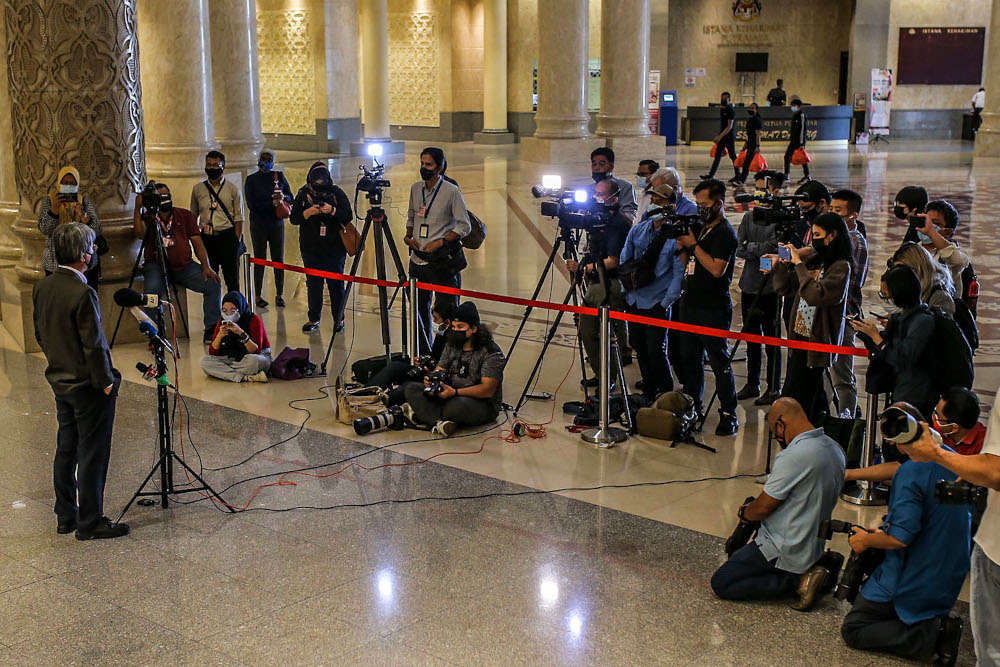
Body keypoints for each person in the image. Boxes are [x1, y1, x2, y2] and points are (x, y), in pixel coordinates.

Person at [840, 404, 969, 665]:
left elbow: (900, 539)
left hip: (915, 576)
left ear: (897, 442)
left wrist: (867, 539)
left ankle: (933, 634)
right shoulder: (953, 458)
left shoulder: (911, 473)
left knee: (854, 628)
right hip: (951, 573)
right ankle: (928, 622)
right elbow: (936, 516)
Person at [32, 223, 127, 540]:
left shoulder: (42, 287)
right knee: (92, 452)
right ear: (84, 254)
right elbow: (95, 344)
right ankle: (90, 522)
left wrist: (59, 363)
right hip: (88, 386)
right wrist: (106, 382)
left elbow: (40, 335)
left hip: (60, 380)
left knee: (67, 448)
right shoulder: (83, 292)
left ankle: (66, 516)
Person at [892, 392, 1000, 665]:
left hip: (991, 545)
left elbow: (995, 473)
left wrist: (936, 455)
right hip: (966, 545)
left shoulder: (918, 469)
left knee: (992, 653)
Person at [710, 398, 845, 610]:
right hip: (812, 544)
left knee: (723, 581)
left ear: (781, 423)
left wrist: (746, 513)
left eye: (774, 430)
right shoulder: (835, 449)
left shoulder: (794, 455)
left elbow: (764, 507)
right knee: (739, 558)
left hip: (781, 546)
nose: (777, 437)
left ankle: (799, 581)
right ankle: (822, 565)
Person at [767, 212, 851, 423]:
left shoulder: (841, 267)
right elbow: (785, 288)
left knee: (798, 397)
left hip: (817, 342)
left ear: (832, 236)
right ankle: (818, 429)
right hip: (799, 337)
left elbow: (816, 294)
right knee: (812, 397)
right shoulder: (814, 260)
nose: (813, 240)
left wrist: (798, 263)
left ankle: (802, 433)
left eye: (817, 234)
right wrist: (781, 266)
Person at [674, 179, 740, 436]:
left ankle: (728, 412)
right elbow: (687, 261)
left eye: (705, 204)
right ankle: (693, 405)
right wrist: (683, 247)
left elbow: (715, 269)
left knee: (718, 361)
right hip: (690, 302)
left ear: (719, 204)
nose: (700, 209)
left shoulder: (725, 233)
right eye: (698, 204)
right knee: (690, 359)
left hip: (713, 307)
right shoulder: (700, 228)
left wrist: (692, 245)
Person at [133, 182, 222, 345]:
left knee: (212, 284)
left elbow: (197, 242)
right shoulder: (149, 218)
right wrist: (138, 209)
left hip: (184, 266)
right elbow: (139, 233)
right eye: (159, 197)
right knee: (151, 294)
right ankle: (155, 335)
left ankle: (211, 329)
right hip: (156, 266)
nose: (164, 200)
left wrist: (205, 266)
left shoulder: (185, 215)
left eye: (166, 196)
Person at [620, 183, 685, 400]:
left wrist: (666, 302)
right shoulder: (639, 229)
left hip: (657, 300)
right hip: (635, 299)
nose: (655, 204)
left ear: (671, 205)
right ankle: (648, 385)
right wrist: (625, 290)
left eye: (661, 201)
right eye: (654, 200)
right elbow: (625, 258)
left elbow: (678, 273)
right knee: (638, 344)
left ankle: (665, 390)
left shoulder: (675, 236)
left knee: (656, 348)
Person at [845, 387, 989, 485]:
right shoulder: (945, 435)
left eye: (938, 415)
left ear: (954, 427)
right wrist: (850, 474)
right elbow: (902, 467)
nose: (934, 418)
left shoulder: (985, 447)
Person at [401, 302, 504, 436]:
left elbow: (487, 390)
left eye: (460, 327)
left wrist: (455, 392)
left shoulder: (491, 353)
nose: (456, 330)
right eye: (454, 327)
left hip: (479, 402)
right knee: (411, 388)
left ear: (474, 328)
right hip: (449, 392)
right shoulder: (452, 344)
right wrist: (431, 379)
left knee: (455, 406)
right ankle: (440, 422)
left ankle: (425, 415)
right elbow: (440, 370)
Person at [405, 147, 472, 353]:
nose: (424, 169)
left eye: (429, 165)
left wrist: (441, 241)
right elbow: (411, 216)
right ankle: (424, 352)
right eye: (422, 164)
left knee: (447, 312)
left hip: (442, 261)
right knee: (418, 308)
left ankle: (447, 353)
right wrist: (408, 236)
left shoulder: (451, 191)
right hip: (418, 260)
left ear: (440, 168)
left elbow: (464, 226)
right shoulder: (416, 189)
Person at [850, 266, 937, 422]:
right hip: (899, 389)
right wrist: (864, 331)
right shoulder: (901, 317)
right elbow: (884, 347)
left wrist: (877, 337)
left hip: (917, 396)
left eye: (887, 295)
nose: (886, 300)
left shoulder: (922, 321)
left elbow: (903, 358)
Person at [569, 178, 632, 389]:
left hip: (609, 282)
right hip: (598, 279)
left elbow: (613, 260)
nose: (596, 198)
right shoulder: (599, 220)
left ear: (614, 198)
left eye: (601, 195)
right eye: (595, 193)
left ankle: (609, 376)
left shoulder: (617, 223)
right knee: (593, 331)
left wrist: (583, 268)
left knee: (594, 331)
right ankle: (602, 373)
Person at [735, 171, 782, 404]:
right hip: (749, 284)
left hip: (771, 287)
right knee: (751, 337)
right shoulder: (748, 218)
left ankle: (774, 387)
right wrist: (760, 248)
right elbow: (739, 247)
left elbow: (777, 249)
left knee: (772, 341)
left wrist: (755, 248)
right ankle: (752, 383)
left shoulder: (779, 219)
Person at [290, 161, 353, 333]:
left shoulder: (336, 193)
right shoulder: (303, 194)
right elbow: (293, 218)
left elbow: (348, 215)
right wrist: (307, 212)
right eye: (316, 179)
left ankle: (338, 319)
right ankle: (313, 318)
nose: (319, 183)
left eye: (322, 179)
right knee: (313, 284)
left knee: (336, 286)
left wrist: (332, 211)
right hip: (311, 249)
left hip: (334, 249)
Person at [828, 189, 868, 418]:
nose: (833, 215)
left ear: (853, 215)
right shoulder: (831, 235)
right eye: (831, 210)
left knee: (842, 374)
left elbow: (853, 282)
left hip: (844, 316)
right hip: (825, 314)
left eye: (838, 211)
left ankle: (847, 418)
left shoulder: (856, 242)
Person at [370, 300, 456, 405]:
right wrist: (423, 361)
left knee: (406, 387)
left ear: (447, 322)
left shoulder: (456, 341)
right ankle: (362, 395)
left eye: (436, 319)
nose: (434, 321)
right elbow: (434, 355)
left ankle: (374, 403)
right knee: (395, 367)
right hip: (429, 373)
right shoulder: (442, 334)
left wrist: (433, 372)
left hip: (441, 380)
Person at [244, 149, 293, 308]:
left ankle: (280, 294)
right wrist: (270, 204)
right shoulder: (251, 180)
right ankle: (257, 295)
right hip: (259, 224)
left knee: (278, 259)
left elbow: (291, 197)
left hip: (276, 223)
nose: (265, 162)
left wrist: (283, 198)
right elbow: (251, 205)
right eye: (263, 159)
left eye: (268, 159)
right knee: (260, 259)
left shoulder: (278, 177)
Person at [39, 166, 102, 289]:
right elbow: (44, 229)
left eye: (72, 183)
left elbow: (97, 230)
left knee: (85, 296)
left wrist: (83, 215)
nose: (68, 186)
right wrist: (55, 210)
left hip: (83, 262)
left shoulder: (83, 202)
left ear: (77, 185)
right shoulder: (49, 201)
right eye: (65, 183)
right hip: (56, 263)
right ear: (59, 183)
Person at [190, 150, 244, 293]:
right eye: (209, 165)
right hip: (207, 238)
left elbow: (239, 218)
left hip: (227, 237)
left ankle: (234, 310)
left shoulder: (232, 189)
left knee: (232, 280)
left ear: (223, 167)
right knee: (210, 279)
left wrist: (235, 241)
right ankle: (215, 312)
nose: (212, 168)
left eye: (216, 165)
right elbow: (192, 216)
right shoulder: (198, 189)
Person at [200, 291, 272, 383]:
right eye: (225, 311)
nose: (229, 314)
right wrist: (220, 336)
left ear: (240, 308)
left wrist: (240, 332)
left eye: (233, 310)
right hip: (233, 358)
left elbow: (256, 351)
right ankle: (245, 377)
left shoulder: (253, 320)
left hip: (255, 357)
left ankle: (226, 372)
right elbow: (212, 352)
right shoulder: (221, 321)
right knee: (205, 361)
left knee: (254, 362)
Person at [915, 199, 971, 292]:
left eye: (935, 224)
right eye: (927, 221)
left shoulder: (956, 253)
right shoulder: (914, 249)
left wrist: (932, 233)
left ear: (948, 232)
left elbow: (958, 261)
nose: (928, 227)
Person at [889, 242, 956, 315]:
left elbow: (941, 325)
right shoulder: (910, 291)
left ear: (918, 269)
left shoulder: (940, 297)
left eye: (904, 271)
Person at [590, 147, 638, 222]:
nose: (596, 168)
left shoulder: (625, 186)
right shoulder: (590, 187)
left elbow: (630, 217)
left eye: (601, 164)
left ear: (611, 167)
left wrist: (609, 213)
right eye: (594, 164)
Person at [701, 91, 739, 182]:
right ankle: (711, 175)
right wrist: (720, 136)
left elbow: (729, 126)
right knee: (717, 156)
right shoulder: (722, 110)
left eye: (725, 99)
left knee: (733, 156)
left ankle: (738, 175)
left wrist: (719, 136)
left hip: (729, 137)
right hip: (722, 137)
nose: (723, 100)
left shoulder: (731, 111)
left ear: (729, 99)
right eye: (722, 98)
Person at [735, 103, 763, 185]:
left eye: (752, 108)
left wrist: (758, 146)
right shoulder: (749, 120)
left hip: (754, 145)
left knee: (747, 163)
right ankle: (760, 178)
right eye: (750, 107)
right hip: (750, 144)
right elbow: (748, 134)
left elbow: (758, 134)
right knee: (752, 163)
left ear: (756, 110)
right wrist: (745, 145)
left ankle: (742, 180)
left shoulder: (757, 120)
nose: (750, 109)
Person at [783, 98, 810, 184]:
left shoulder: (802, 115)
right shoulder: (794, 116)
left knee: (803, 160)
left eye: (794, 106)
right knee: (787, 156)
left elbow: (802, 130)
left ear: (799, 106)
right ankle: (786, 174)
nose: (792, 107)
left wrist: (802, 143)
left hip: (799, 142)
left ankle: (807, 175)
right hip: (793, 141)